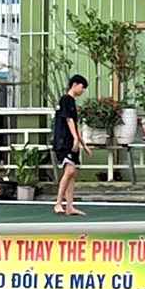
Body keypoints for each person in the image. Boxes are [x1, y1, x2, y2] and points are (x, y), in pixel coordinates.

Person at [52, 74, 90, 216]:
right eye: (82, 87)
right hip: (64, 141)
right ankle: (58, 203)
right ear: (75, 84)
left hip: (71, 141)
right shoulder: (65, 100)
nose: (83, 90)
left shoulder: (72, 102)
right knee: (69, 171)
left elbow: (75, 123)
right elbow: (68, 120)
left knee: (73, 174)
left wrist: (83, 144)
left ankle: (69, 206)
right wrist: (75, 139)